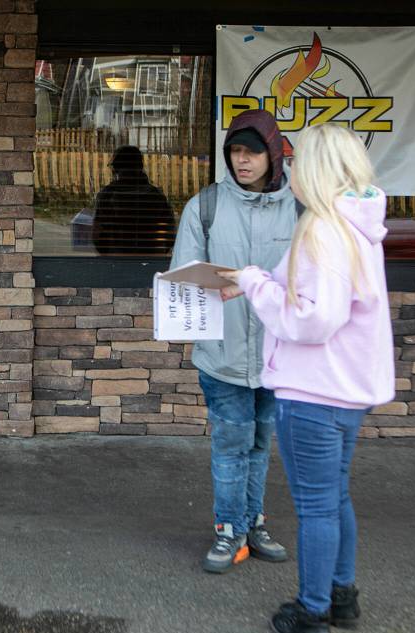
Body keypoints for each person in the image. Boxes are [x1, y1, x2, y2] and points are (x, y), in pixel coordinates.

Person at [217, 123, 395, 633]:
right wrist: (253, 282)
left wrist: (252, 283)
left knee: (316, 507)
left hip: (314, 390)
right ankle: (341, 595)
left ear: (314, 170)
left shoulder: (322, 229)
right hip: (347, 391)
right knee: (334, 497)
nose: (289, 172)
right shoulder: (357, 225)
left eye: (296, 164)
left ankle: (312, 612)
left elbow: (312, 320)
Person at [170, 109, 296, 574]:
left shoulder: (297, 208)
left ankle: (252, 522)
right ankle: (228, 530)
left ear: (273, 154)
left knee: (261, 443)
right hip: (222, 355)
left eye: (252, 152)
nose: (242, 161)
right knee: (230, 444)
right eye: (235, 152)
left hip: (276, 354)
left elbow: (308, 278)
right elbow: (184, 278)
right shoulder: (204, 206)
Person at [92, 145, 176, 255]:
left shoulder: (108, 195)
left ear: (116, 168)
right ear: (140, 167)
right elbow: (169, 235)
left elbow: (98, 237)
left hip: (116, 262)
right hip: (151, 262)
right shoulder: (156, 196)